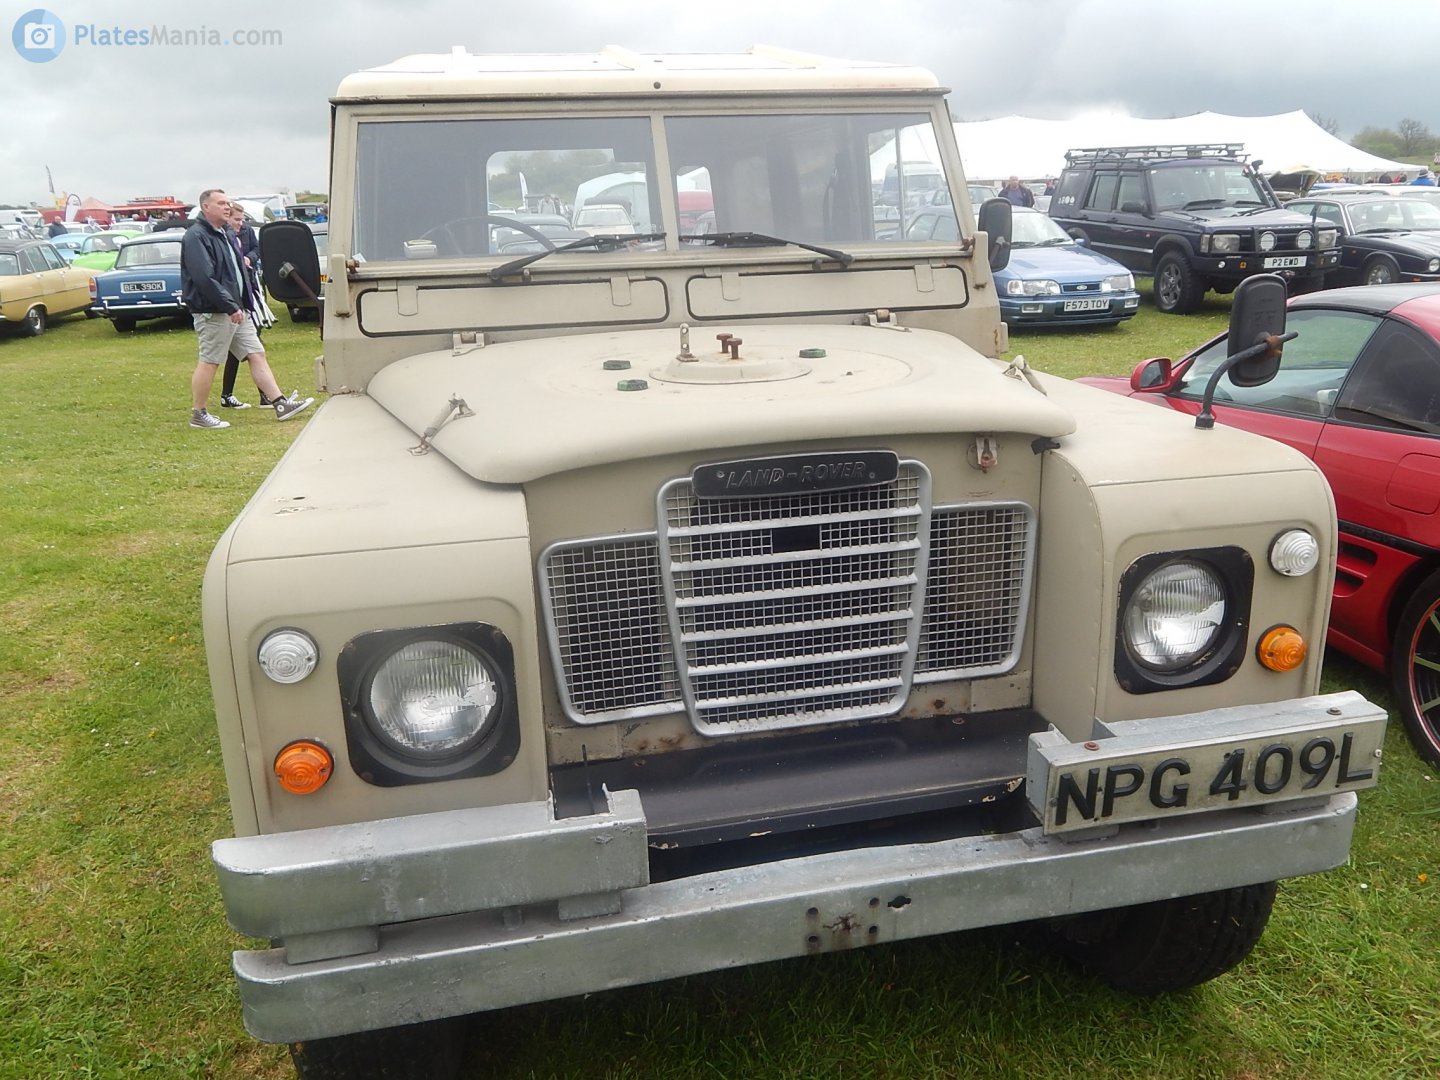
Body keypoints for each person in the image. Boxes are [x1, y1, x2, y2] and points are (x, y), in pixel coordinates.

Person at [180, 188, 312, 429]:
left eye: (228, 202)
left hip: (238, 309)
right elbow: (203, 278)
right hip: (215, 310)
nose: (227, 206)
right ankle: (198, 414)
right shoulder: (196, 236)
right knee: (210, 360)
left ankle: (280, 403)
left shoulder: (226, 233)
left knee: (256, 353)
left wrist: (244, 303)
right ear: (205, 207)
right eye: (220, 203)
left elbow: (237, 270)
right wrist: (229, 305)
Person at [218, 203, 276, 410]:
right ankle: (229, 396)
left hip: (250, 293)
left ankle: (263, 396)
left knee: (253, 347)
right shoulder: (222, 238)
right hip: (234, 302)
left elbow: (256, 249)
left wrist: (249, 258)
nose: (240, 224)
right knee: (247, 349)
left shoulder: (246, 232)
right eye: (236, 220)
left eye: (242, 220)